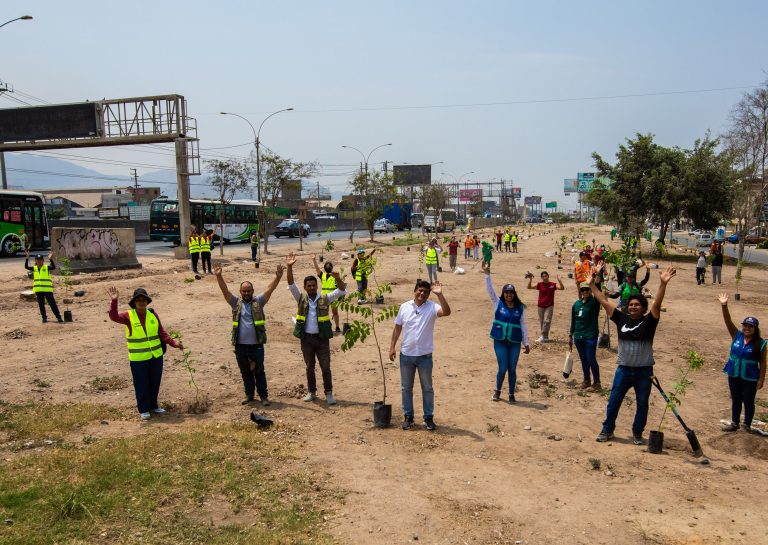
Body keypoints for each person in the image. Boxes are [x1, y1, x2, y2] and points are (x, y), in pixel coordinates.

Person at [587, 264, 677, 445]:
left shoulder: (649, 322)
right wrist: (591, 285)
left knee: (642, 404)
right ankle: (607, 430)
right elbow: (604, 301)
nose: (634, 307)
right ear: (627, 307)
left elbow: (657, 304)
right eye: (631, 305)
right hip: (624, 370)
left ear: (644, 309)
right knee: (614, 402)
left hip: (644, 372)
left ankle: (637, 433)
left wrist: (662, 284)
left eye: (637, 305)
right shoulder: (621, 319)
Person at [107, 287, 184, 420]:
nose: (142, 302)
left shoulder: (152, 314)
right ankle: (143, 409)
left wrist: (174, 343)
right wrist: (114, 301)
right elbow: (114, 316)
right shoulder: (128, 316)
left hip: (156, 356)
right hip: (138, 358)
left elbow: (162, 332)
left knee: (155, 382)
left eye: (144, 300)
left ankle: (154, 406)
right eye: (139, 300)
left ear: (147, 302)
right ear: (134, 302)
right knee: (141, 383)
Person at [214, 262, 283, 406]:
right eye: (244, 291)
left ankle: (264, 396)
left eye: (248, 291)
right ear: (240, 292)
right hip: (240, 346)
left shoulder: (259, 302)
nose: (246, 293)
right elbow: (225, 291)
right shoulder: (235, 303)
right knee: (245, 372)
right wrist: (219, 276)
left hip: (256, 345)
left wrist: (277, 277)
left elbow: (270, 289)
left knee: (259, 371)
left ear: (252, 291)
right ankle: (249, 395)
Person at [389, 280, 451, 431]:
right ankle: (408, 417)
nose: (422, 294)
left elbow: (447, 312)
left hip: (424, 356)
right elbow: (397, 327)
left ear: (429, 294)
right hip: (406, 355)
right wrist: (392, 347)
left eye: (425, 292)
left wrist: (440, 294)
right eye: (420, 291)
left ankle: (428, 418)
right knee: (406, 388)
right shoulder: (404, 307)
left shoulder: (432, 307)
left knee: (427, 388)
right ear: (415, 291)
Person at [287, 253, 346, 404]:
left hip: (322, 340)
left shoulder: (325, 298)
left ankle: (329, 393)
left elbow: (341, 290)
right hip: (306, 339)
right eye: (309, 286)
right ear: (305, 287)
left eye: (314, 285)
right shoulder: (300, 298)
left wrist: (338, 278)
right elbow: (291, 285)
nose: (312, 287)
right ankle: (311, 392)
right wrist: (289, 267)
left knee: (325, 367)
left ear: (317, 286)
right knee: (309, 367)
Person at [482, 261, 530, 403]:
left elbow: (523, 325)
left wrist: (526, 343)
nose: (509, 294)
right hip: (500, 341)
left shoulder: (520, 308)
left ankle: (511, 394)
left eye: (511, 292)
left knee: (513, 369)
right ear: (504, 293)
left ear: (514, 294)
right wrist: (487, 274)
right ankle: (497, 390)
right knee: (503, 368)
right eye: (507, 292)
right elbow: (490, 290)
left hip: (515, 342)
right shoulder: (498, 303)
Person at [718, 293, 766, 432]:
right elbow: (728, 321)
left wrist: (761, 379)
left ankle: (747, 425)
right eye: (745, 325)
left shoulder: (761, 343)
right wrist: (724, 305)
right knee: (736, 398)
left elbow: (763, 363)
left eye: (751, 326)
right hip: (734, 373)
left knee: (749, 401)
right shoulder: (736, 335)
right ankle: (735, 423)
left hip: (750, 376)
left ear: (755, 329)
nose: (747, 328)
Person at [569, 283, 602, 391]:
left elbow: (598, 291)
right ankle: (586, 381)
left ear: (591, 291)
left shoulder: (594, 303)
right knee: (583, 359)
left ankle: (597, 382)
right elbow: (573, 321)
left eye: (587, 290)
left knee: (591, 358)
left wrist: (596, 278)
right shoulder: (576, 304)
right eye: (583, 290)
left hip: (590, 336)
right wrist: (570, 335)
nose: (585, 292)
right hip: (578, 336)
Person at [24, 250, 63, 323]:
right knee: (41, 305)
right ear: (35, 260)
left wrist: (50, 259)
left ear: (43, 260)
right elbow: (26, 266)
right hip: (39, 290)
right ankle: (44, 318)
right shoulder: (34, 268)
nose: (39, 261)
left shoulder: (46, 267)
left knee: (52, 304)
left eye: (40, 260)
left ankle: (58, 317)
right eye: (37, 260)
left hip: (47, 290)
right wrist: (27, 258)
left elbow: (53, 267)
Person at [526, 271, 565, 342]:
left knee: (547, 321)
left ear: (548, 276)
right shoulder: (539, 284)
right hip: (540, 305)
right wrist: (530, 279)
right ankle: (545, 336)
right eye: (543, 276)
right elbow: (529, 287)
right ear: (541, 278)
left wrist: (560, 281)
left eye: (545, 276)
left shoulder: (552, 284)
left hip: (549, 305)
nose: (544, 278)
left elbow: (562, 288)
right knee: (542, 321)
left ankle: (543, 336)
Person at [313, 255, 341, 332]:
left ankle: (337, 327)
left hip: (331, 297)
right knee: (328, 313)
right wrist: (314, 260)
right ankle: (335, 327)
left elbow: (317, 269)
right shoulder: (329, 275)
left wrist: (314, 260)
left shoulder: (334, 276)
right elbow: (317, 269)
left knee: (330, 313)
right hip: (326, 297)